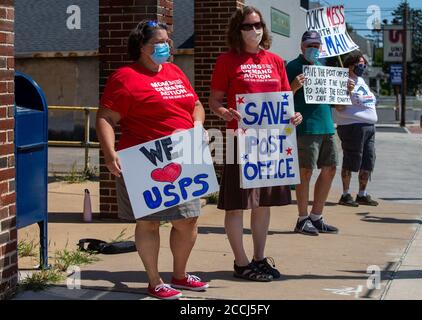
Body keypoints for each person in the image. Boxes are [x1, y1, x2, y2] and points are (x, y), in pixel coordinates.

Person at [96, 20, 208, 300]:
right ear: (142, 47)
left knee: (189, 219)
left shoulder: (175, 71)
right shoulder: (125, 77)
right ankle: (154, 281)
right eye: (160, 42)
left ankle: (180, 275)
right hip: (144, 162)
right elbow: (106, 117)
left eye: (168, 40)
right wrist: (110, 153)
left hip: (184, 157)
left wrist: (197, 125)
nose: (167, 46)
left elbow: (195, 105)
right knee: (149, 223)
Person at [208, 6, 302, 282]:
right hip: (240, 141)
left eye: (258, 25)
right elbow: (215, 100)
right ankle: (241, 262)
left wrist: (294, 115)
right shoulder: (227, 61)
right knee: (236, 205)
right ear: (238, 31)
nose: (254, 30)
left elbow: (285, 99)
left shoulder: (275, 61)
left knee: (263, 204)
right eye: (248, 26)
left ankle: (259, 258)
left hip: (271, 143)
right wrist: (224, 112)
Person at [286, 31, 354, 236]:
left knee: (331, 169)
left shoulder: (323, 68)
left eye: (317, 45)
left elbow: (338, 105)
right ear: (301, 46)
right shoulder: (292, 67)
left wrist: (347, 91)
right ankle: (302, 218)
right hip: (305, 127)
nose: (313, 48)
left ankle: (316, 216)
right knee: (305, 172)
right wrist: (294, 86)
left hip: (327, 126)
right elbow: (281, 98)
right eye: (310, 45)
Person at [335, 51, 379, 207]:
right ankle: (345, 195)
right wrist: (346, 90)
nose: (363, 67)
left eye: (364, 64)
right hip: (352, 126)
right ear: (349, 66)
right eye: (360, 64)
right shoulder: (343, 81)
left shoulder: (361, 81)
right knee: (351, 159)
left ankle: (362, 194)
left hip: (369, 127)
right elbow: (338, 107)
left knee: (368, 161)